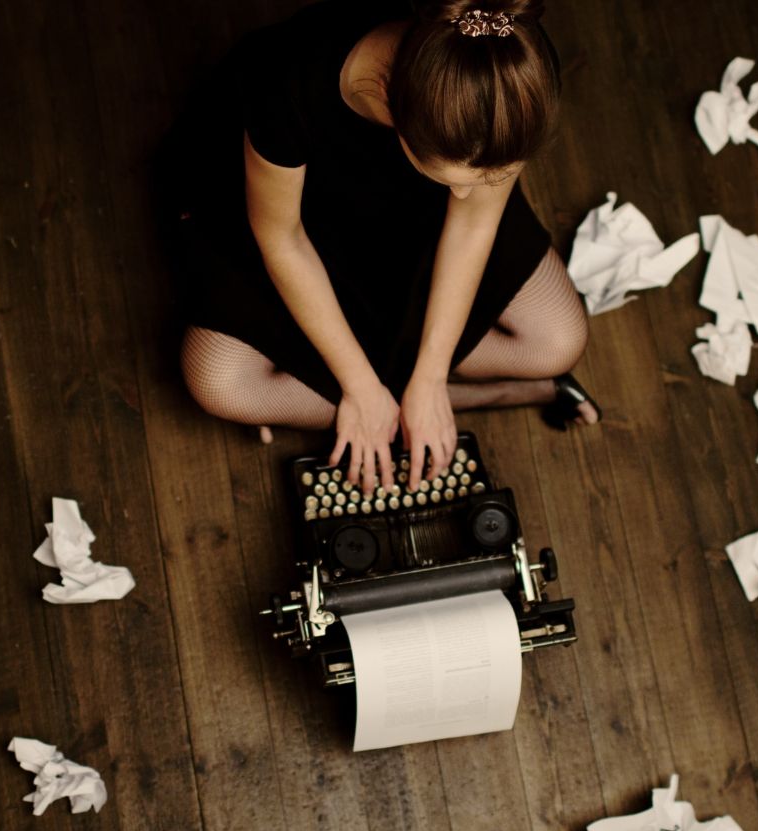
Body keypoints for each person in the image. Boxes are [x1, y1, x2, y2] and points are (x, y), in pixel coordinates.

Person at [159, 0, 599, 496]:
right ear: (394, 105)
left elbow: (474, 221)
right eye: (452, 179)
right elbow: (282, 238)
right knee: (218, 381)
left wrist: (431, 377)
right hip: (297, 212)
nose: (462, 196)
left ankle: (351, 401)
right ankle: (493, 394)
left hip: (412, 214)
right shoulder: (288, 83)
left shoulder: (513, 69)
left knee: (559, 341)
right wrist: (361, 388)